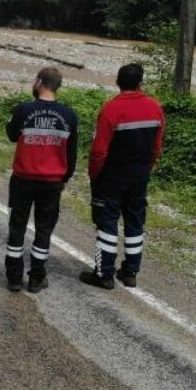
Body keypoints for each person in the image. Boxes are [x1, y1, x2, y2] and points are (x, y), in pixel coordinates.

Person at [80, 63, 166, 290]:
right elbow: (157, 146)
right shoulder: (155, 107)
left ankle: (104, 274)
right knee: (135, 222)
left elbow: (99, 150)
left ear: (118, 82)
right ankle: (130, 272)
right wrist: (148, 167)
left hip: (111, 176)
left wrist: (94, 174)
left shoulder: (111, 109)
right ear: (141, 83)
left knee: (107, 222)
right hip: (139, 176)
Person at [5, 67, 79, 293]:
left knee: (17, 227)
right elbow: (72, 153)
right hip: (52, 182)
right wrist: (65, 177)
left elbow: (11, 135)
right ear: (58, 86)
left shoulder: (24, 109)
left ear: (38, 82)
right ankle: (37, 278)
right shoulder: (69, 115)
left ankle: (14, 278)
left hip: (23, 178)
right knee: (44, 229)